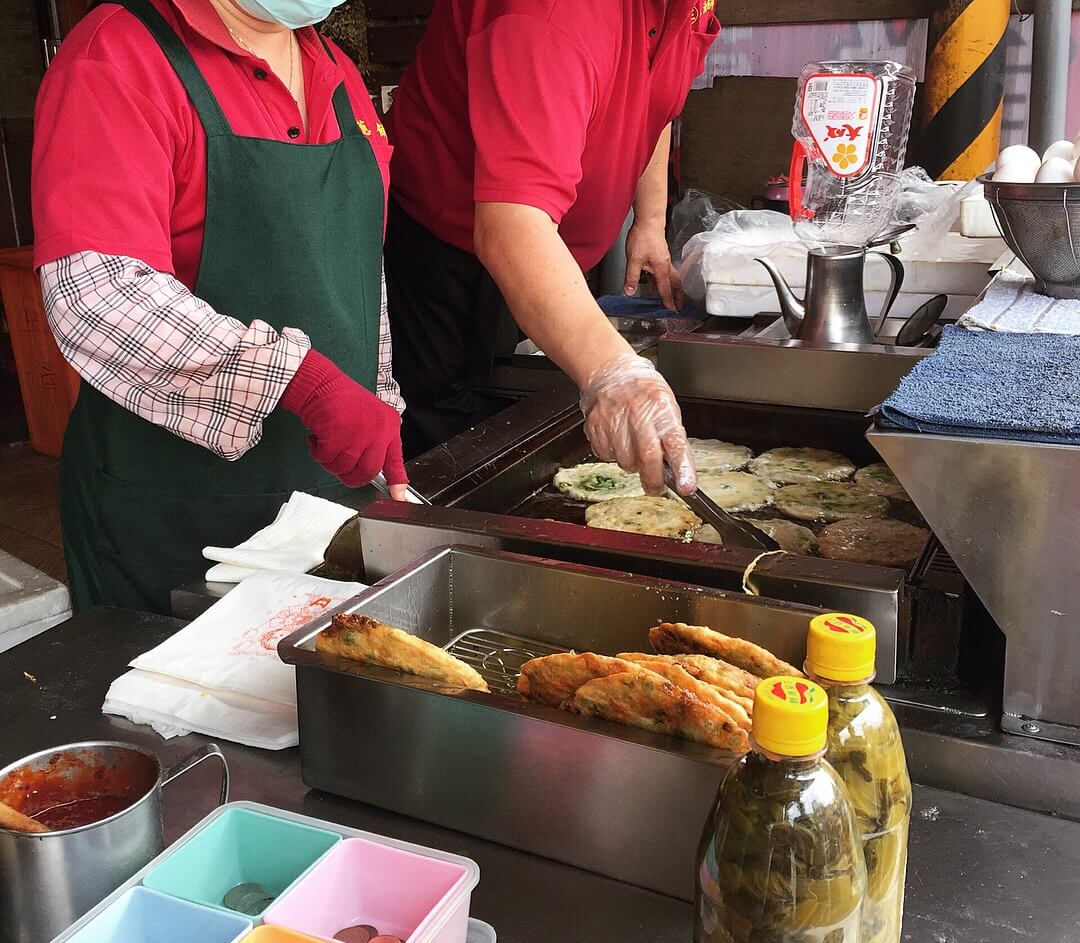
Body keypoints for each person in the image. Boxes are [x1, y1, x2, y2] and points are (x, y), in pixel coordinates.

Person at [32, 0, 408, 615]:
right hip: (169, 511)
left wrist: (378, 393)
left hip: (325, 499)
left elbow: (363, 269)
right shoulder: (119, 55)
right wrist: (303, 382)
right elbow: (95, 291)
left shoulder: (336, 71)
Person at [384, 0, 721, 494]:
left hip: (544, 243)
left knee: (507, 397)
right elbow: (510, 225)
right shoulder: (552, 16)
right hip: (445, 236)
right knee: (446, 429)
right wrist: (612, 370)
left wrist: (649, 220)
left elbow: (658, 100)